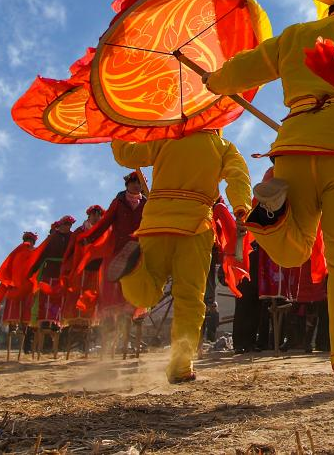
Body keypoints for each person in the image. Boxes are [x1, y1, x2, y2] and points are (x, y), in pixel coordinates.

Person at [206, 0, 334, 389]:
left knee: (292, 250)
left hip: (294, 144)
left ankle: (272, 212)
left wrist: (216, 80)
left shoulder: (295, 35)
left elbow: (248, 66)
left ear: (329, 10)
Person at [106, 130, 251, 382]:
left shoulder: (166, 136)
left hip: (155, 222)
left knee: (148, 290)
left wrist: (118, 133)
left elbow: (129, 155)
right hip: (194, 226)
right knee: (190, 298)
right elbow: (238, 175)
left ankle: (132, 272)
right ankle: (181, 365)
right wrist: (241, 207)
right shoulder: (223, 146)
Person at [76, 172, 145, 324]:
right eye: (133, 182)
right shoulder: (118, 202)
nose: (136, 185)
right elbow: (105, 222)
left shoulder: (146, 204)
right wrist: (89, 238)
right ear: (127, 185)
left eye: (139, 182)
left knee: (132, 290)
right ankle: (111, 330)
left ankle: (126, 333)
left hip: (138, 251)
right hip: (118, 250)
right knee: (114, 289)